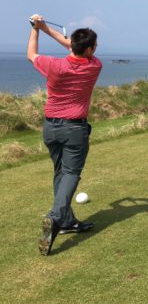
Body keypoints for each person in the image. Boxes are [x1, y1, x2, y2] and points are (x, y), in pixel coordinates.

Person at [27, 14, 102, 255]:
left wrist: (37, 29)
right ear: (90, 49)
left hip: (50, 128)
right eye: (95, 46)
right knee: (71, 173)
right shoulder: (94, 66)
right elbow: (74, 45)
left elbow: (31, 54)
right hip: (74, 129)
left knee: (60, 172)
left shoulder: (54, 65)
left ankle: (67, 220)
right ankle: (56, 217)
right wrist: (45, 28)